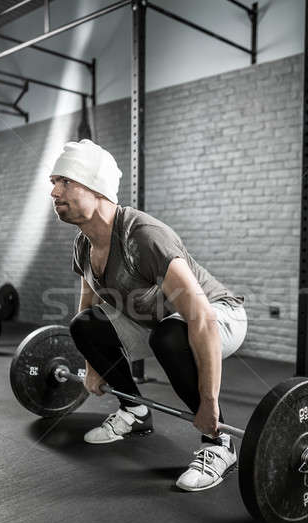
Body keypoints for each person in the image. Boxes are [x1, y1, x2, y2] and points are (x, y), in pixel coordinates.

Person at [50, 139, 247, 492]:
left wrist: (209, 404)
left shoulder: (143, 235)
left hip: (220, 314)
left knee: (170, 336)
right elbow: (90, 304)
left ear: (96, 188)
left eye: (64, 181)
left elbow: (200, 317)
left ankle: (220, 443)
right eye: (53, 182)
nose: (54, 191)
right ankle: (134, 412)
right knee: (84, 325)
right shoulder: (83, 244)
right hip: (157, 319)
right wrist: (94, 367)